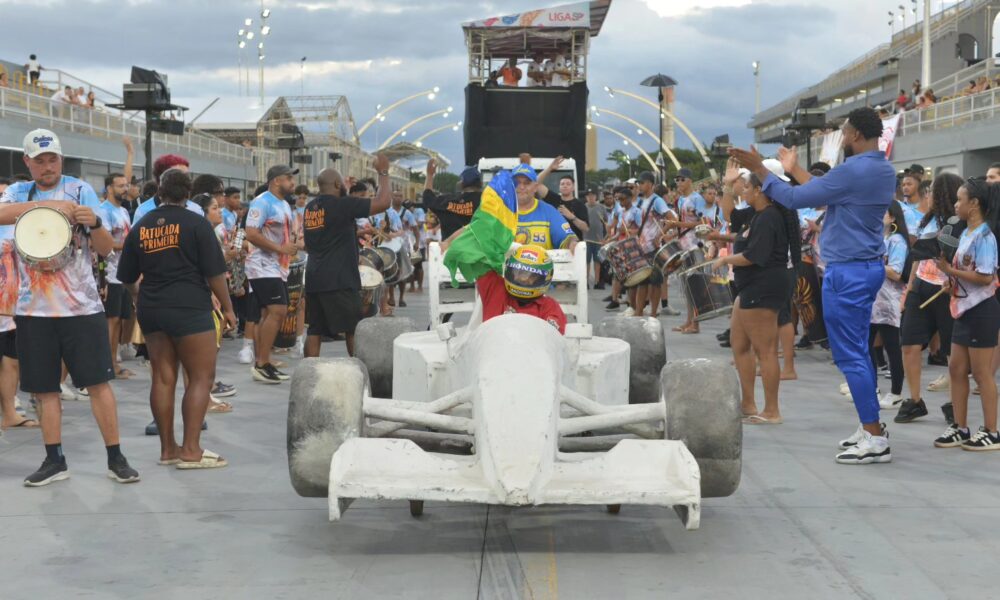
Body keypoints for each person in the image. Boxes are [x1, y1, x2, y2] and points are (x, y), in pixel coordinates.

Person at [730, 107, 896, 465]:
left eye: (844, 133)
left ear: (852, 135)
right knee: (859, 353)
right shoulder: (881, 168)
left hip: (848, 272)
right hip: (864, 268)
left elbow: (792, 199)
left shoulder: (855, 168)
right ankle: (871, 428)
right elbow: (823, 193)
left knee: (850, 356)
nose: (843, 138)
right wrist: (791, 170)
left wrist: (761, 169)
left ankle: (874, 435)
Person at [0, 129, 139, 486]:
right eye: (40, 160)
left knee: (98, 383)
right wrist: (48, 207)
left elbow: (108, 250)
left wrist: (94, 222)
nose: (48, 167)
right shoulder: (18, 192)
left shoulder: (79, 189)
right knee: (44, 389)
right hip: (33, 311)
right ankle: (54, 459)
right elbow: (3, 215)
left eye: (53, 159)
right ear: (27, 162)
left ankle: (116, 456)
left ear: (61, 159)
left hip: (81, 308)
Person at [117, 170, 235, 469]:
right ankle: (191, 450)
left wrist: (137, 296)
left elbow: (128, 277)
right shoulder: (196, 223)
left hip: (152, 307)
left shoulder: (141, 225)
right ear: (189, 192)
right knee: (201, 377)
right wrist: (229, 308)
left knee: (162, 377)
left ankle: (168, 449)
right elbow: (215, 273)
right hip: (189, 306)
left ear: (160, 191)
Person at [711, 164, 798, 425]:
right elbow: (729, 216)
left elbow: (755, 256)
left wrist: (724, 262)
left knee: (765, 350)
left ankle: (772, 410)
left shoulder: (770, 217)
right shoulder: (756, 214)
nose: (743, 191)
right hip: (749, 286)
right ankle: (748, 403)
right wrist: (727, 185)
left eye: (746, 187)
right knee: (739, 344)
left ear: (760, 190)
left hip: (764, 285)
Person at [932, 178, 1000, 450]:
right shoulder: (966, 234)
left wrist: (952, 273)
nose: (956, 204)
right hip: (963, 308)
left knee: (982, 374)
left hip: (981, 310)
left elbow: (985, 277)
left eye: (960, 200)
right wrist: (952, 283)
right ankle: (960, 427)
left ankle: (991, 431)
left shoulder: (985, 236)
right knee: (956, 368)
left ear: (974, 204)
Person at [303, 155, 392, 357]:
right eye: (342, 182)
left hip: (315, 278)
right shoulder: (343, 206)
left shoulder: (311, 208)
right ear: (336, 184)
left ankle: (308, 372)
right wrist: (383, 172)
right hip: (339, 279)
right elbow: (383, 202)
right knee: (353, 328)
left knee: (314, 330)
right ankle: (358, 369)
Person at [897, 174, 963, 424]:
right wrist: (910, 288)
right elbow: (918, 257)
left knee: (951, 353)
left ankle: (956, 403)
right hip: (923, 287)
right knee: (910, 344)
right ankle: (914, 400)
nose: (928, 195)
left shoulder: (960, 224)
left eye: (932, 191)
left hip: (947, 292)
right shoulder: (928, 220)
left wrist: (954, 280)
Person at [244, 166, 298, 383]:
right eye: (288, 179)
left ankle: (264, 361)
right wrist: (280, 249)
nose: (292, 183)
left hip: (277, 266)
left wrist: (291, 247)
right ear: (276, 181)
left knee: (268, 315)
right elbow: (251, 233)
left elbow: (280, 236)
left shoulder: (284, 204)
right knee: (278, 310)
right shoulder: (262, 201)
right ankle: (261, 363)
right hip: (262, 265)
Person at [867, 201, 910, 411]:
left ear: (893, 218)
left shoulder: (897, 241)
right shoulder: (879, 238)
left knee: (892, 347)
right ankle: (871, 387)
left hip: (888, 301)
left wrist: (872, 262)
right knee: (866, 346)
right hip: (872, 300)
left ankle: (896, 392)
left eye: (882, 212)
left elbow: (896, 272)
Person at [476, 245, 567, 334]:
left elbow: (551, 339)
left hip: (529, 348)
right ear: (509, 270)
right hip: (492, 347)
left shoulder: (549, 306)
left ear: (544, 278)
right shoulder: (494, 288)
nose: (523, 279)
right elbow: (473, 249)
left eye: (531, 275)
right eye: (518, 272)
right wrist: (509, 245)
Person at [98, 171, 134, 381]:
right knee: (111, 321)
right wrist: (133, 246)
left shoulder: (124, 211)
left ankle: (115, 361)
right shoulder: (104, 212)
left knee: (119, 319)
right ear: (109, 188)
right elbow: (106, 244)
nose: (125, 189)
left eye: (126, 185)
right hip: (109, 274)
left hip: (123, 274)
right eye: (120, 185)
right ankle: (109, 364)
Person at [511, 163, 578, 252]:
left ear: (535, 187)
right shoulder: (499, 212)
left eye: (527, 183)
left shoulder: (548, 212)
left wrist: (572, 243)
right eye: (517, 182)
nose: (521, 187)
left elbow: (567, 238)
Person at [423, 161, 481, 239]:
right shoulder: (487, 202)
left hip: (451, 248)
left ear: (462, 183)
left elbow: (428, 199)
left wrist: (429, 175)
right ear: (480, 183)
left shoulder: (448, 201)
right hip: (480, 249)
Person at [583, 188, 606, 288]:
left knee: (597, 262)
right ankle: (586, 282)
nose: (590, 197)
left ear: (596, 197)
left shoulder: (601, 207)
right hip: (586, 238)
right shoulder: (583, 207)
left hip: (598, 240)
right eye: (588, 195)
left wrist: (605, 238)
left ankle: (597, 282)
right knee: (586, 262)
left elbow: (606, 222)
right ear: (586, 197)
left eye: (592, 195)